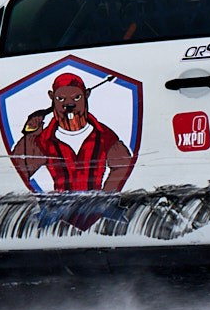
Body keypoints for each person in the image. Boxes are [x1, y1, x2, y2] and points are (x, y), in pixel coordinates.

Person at [8, 71, 137, 231]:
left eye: (76, 98)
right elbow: (18, 168)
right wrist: (30, 137)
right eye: (61, 99)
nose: (69, 104)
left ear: (86, 95)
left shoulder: (103, 134)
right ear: (51, 97)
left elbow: (123, 163)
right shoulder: (44, 140)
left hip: (101, 215)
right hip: (58, 217)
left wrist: (105, 197)